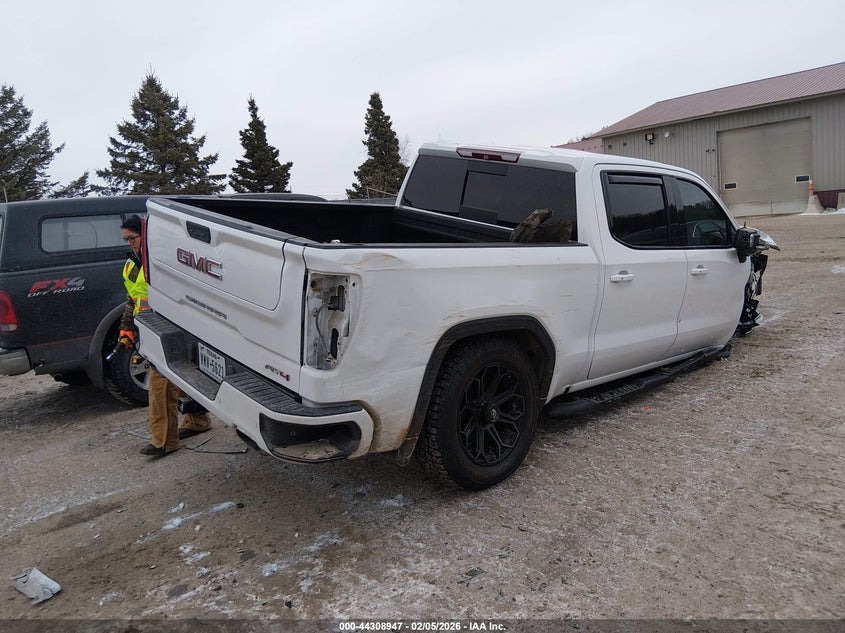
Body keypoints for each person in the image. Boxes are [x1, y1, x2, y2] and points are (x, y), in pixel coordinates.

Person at [119, 214, 211, 457]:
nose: (129, 244)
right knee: (180, 381)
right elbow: (132, 300)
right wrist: (127, 328)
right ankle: (198, 419)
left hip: (170, 331)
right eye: (126, 240)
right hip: (147, 329)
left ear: (145, 235)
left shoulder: (164, 262)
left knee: (160, 386)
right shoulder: (131, 266)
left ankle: (164, 441)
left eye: (132, 238)